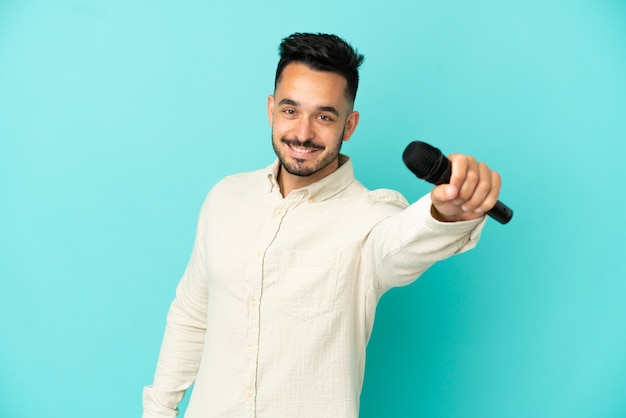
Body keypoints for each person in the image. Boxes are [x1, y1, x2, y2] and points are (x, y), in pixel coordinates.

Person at [143, 32, 501, 418]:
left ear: (349, 126)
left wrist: (444, 214)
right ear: (271, 109)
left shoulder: (371, 216)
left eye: (325, 117)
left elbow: (402, 244)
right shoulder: (224, 197)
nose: (302, 133)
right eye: (290, 110)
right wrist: (159, 411)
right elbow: (192, 315)